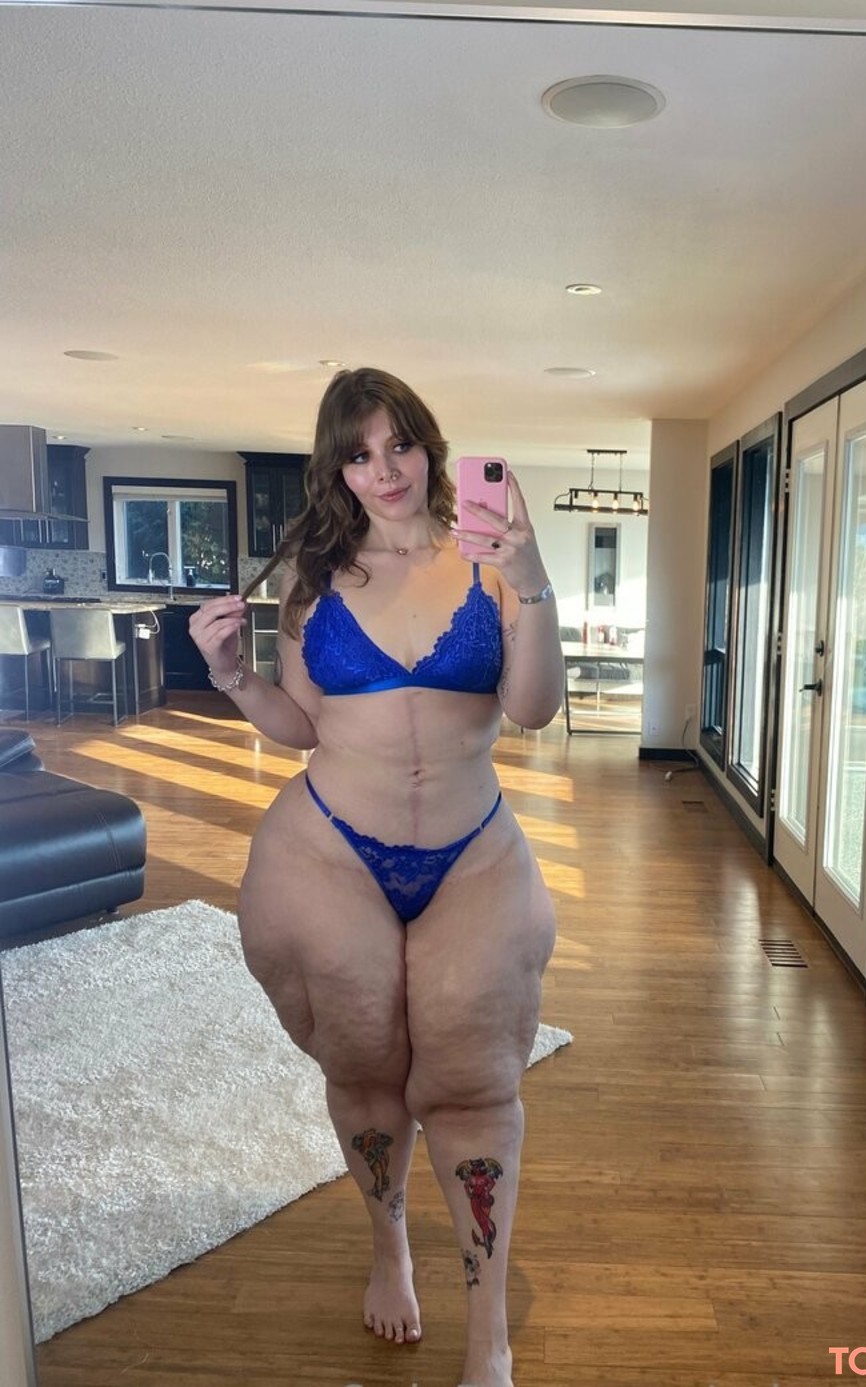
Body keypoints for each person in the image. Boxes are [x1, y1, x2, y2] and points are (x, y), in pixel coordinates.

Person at [188, 367, 563, 1387]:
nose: (384, 470)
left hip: (471, 851)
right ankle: (389, 1244)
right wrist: (230, 675)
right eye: (359, 453)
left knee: (475, 1084)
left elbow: (533, 708)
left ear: (430, 446)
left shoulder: (490, 562)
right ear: (337, 467)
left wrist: (532, 577)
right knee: (360, 1064)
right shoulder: (316, 579)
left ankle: (488, 1334)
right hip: (330, 851)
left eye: (399, 444)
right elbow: (302, 724)